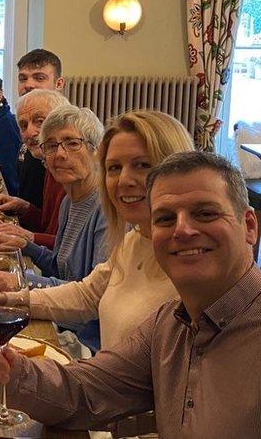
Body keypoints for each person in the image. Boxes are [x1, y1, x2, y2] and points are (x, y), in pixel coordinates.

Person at [0, 151, 261, 437]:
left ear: (249, 226)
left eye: (205, 213)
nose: (182, 230)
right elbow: (84, 393)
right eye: (165, 218)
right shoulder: (172, 323)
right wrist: (8, 371)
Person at [22, 111, 194, 352]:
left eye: (143, 165)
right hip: (101, 372)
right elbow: (87, 294)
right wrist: (10, 298)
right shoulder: (135, 238)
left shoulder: (193, 263)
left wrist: (19, 284)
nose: (124, 180)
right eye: (114, 167)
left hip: (89, 354)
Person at [0, 104, 107, 349]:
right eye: (51, 146)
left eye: (72, 143)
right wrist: (27, 246)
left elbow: (92, 299)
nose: (60, 155)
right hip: (59, 321)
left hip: (85, 342)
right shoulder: (70, 202)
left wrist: (21, 284)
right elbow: (61, 267)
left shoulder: (106, 211)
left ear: (96, 151)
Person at [0, 89, 69, 250]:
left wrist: (30, 237)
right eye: (23, 125)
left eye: (39, 121)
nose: (30, 132)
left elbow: (73, 250)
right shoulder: (49, 165)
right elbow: (48, 226)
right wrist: (25, 208)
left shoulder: (72, 172)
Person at [15, 50, 64, 208]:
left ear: (59, 84)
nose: (29, 84)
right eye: (23, 78)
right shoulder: (24, 120)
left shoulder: (63, 144)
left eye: (39, 78)